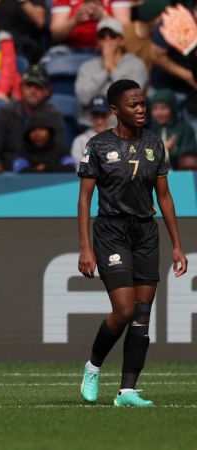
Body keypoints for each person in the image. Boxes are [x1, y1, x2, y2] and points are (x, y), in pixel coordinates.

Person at [77, 79, 188, 407]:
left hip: (145, 233)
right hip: (111, 231)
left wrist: (178, 245)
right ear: (115, 110)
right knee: (124, 309)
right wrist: (85, 247)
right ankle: (93, 366)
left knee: (142, 314)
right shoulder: (97, 146)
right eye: (134, 105)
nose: (141, 110)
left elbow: (164, 197)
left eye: (143, 104)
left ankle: (127, 391)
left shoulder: (155, 144)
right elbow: (85, 199)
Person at [0, 65, 67, 174]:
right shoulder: (5, 113)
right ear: (21, 88)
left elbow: (59, 151)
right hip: (7, 175)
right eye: (29, 85)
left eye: (38, 86)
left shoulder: (54, 116)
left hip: (44, 175)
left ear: (47, 91)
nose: (33, 90)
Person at [75, 18, 147, 121]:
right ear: (98, 42)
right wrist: (104, 71)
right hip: (92, 127)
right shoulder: (87, 66)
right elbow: (83, 98)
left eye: (112, 36)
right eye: (102, 36)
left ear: (121, 41)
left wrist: (112, 69)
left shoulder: (136, 64)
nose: (107, 40)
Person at [48, 0, 131, 54]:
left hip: (108, 49)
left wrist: (103, 17)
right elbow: (56, 34)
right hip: (70, 49)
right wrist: (75, 20)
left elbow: (126, 32)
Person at [13, 113, 78, 173]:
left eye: (41, 129)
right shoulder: (22, 152)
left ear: (50, 132)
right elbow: (20, 170)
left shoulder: (61, 151)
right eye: (32, 130)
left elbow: (71, 167)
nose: (37, 135)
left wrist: (45, 168)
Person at [150, 89, 197, 169]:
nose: (159, 113)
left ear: (172, 108)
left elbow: (190, 153)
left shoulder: (184, 129)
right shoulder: (149, 132)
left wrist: (173, 151)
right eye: (155, 108)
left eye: (163, 108)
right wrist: (163, 149)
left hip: (179, 174)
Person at [71, 94, 112, 163]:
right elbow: (78, 168)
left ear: (111, 115)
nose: (99, 121)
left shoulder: (119, 139)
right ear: (89, 115)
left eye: (103, 116)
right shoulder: (80, 141)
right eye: (95, 116)